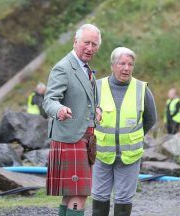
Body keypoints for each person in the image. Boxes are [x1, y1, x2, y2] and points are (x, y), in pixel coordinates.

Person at [43, 24, 102, 216]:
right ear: (75, 42)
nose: (90, 48)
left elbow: (85, 101)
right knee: (80, 193)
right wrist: (59, 109)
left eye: (94, 44)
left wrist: (97, 111)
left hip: (84, 137)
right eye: (86, 43)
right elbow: (49, 100)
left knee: (71, 194)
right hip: (71, 137)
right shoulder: (63, 67)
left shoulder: (86, 69)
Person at [91, 47, 157, 216]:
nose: (126, 68)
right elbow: (87, 116)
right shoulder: (96, 87)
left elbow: (151, 119)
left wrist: (133, 137)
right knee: (99, 197)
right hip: (101, 154)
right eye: (122, 63)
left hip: (130, 156)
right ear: (113, 65)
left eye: (130, 64)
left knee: (124, 200)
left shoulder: (142, 89)